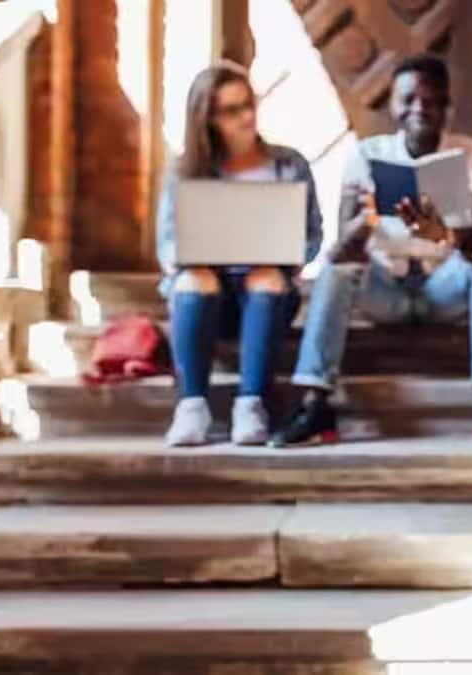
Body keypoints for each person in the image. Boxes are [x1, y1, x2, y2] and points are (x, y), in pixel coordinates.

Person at [269, 56, 472, 449]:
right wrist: (364, 221)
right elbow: (340, 249)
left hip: (444, 289)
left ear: (446, 107)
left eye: (430, 100)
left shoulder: (469, 153)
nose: (419, 108)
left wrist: (445, 234)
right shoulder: (366, 155)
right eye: (408, 99)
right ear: (392, 104)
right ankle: (314, 403)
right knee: (339, 268)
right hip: (385, 290)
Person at [155, 61, 322, 447]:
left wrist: (291, 256)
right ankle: (192, 405)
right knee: (194, 279)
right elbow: (167, 243)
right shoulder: (184, 171)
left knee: (264, 275)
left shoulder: (289, 165)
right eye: (232, 111)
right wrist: (193, 258)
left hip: (266, 290)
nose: (246, 117)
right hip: (207, 291)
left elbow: (312, 235)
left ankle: (251, 405)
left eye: (249, 104)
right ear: (208, 119)